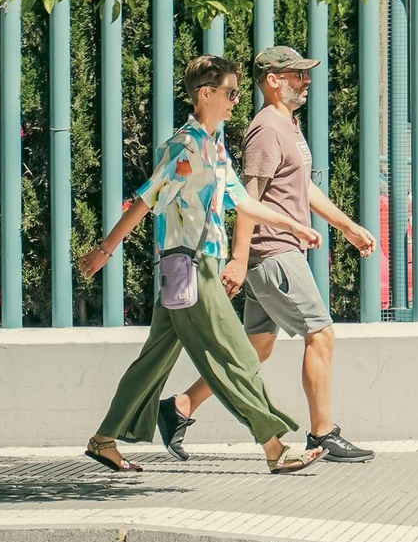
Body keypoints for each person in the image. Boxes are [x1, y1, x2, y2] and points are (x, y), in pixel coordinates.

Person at [77, 54, 327, 475]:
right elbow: (146, 199)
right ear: (205, 94)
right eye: (229, 93)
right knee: (236, 356)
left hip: (192, 268)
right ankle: (275, 448)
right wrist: (105, 250)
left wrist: (293, 225)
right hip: (192, 267)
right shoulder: (185, 146)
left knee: (153, 360)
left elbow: (243, 201)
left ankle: (103, 440)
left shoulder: (213, 146)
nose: (235, 100)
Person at [159, 45, 378, 464]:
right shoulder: (265, 130)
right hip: (272, 252)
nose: (306, 80)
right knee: (321, 333)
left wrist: (347, 226)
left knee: (256, 346)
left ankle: (179, 407)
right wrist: (240, 260)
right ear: (273, 81)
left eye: (306, 74)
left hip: (277, 250)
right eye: (297, 74)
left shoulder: (288, 125)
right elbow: (247, 199)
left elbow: (301, 188)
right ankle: (322, 433)